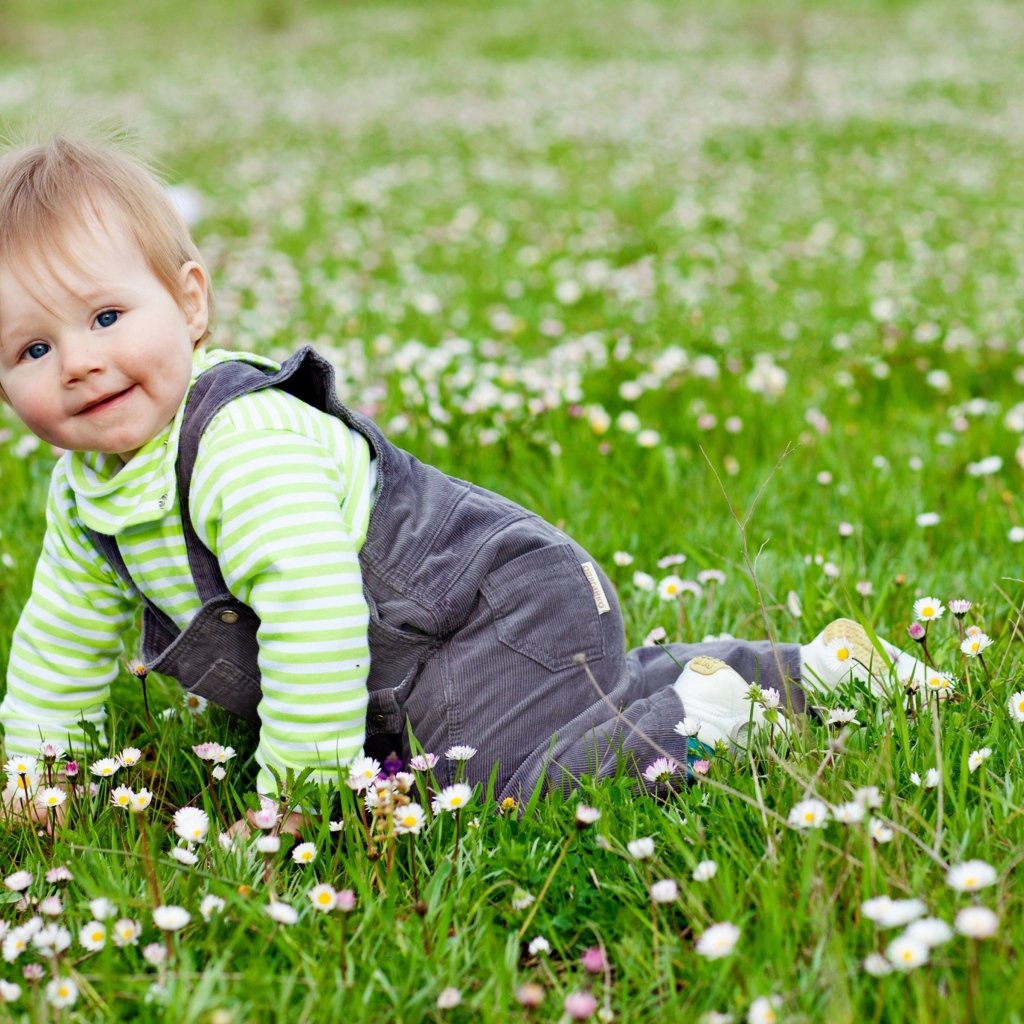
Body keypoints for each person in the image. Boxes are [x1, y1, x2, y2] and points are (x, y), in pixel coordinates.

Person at [0, 136, 929, 829]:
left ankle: (717, 717)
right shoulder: (90, 497)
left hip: (494, 609)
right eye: (34, 348)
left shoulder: (241, 446)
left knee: (505, 788)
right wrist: (32, 787)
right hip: (421, 661)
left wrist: (296, 800)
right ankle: (815, 671)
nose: (79, 363)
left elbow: (316, 615)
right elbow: (58, 652)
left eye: (108, 315)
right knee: (535, 726)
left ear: (190, 305)